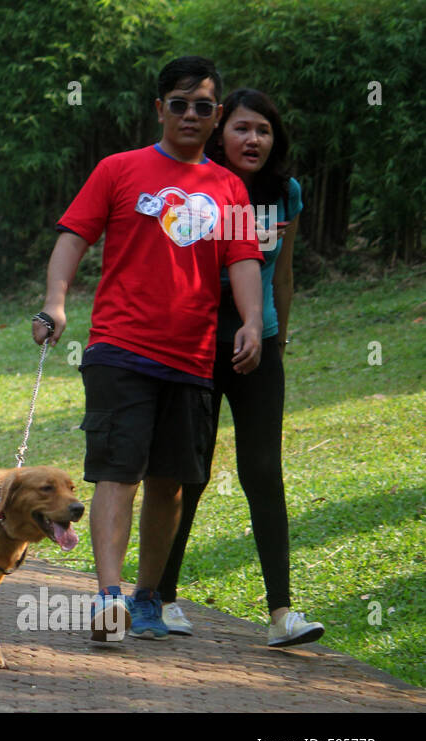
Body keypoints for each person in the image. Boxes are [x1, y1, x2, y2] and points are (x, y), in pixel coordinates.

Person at [32, 56, 264, 643]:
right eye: (179, 104)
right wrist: (56, 303)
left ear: (215, 117)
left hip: (192, 357)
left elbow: (242, 261)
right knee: (118, 472)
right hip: (120, 348)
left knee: (173, 482)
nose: (191, 115)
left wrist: (253, 322)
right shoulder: (119, 169)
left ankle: (147, 600)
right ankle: (109, 598)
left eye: (203, 107)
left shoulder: (229, 186)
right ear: (160, 109)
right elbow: (73, 237)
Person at [157, 88, 323, 648]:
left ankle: (282, 615)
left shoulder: (285, 193)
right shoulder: (196, 187)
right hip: (199, 347)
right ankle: (162, 597)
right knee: (189, 473)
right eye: (243, 128)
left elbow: (283, 275)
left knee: (263, 472)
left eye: (265, 131)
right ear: (220, 132)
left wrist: (279, 339)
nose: (253, 139)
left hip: (260, 347)